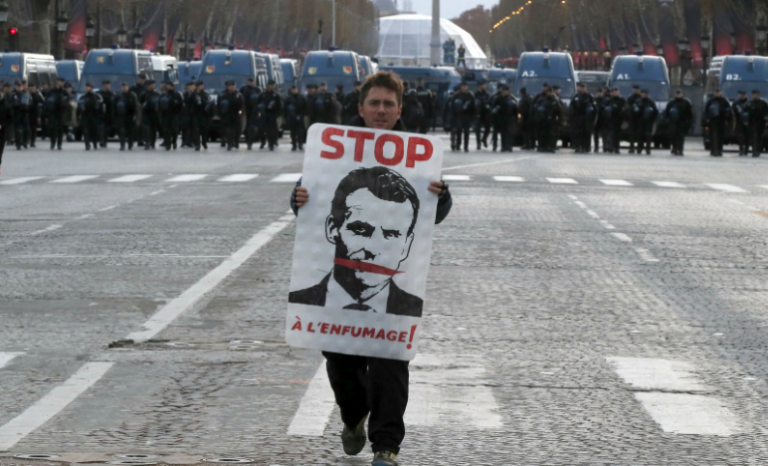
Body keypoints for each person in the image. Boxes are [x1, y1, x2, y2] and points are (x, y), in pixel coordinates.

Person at [290, 70, 452, 466]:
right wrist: (297, 198)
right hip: (331, 302)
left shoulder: (420, 154)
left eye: (389, 104)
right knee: (341, 362)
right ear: (361, 108)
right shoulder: (334, 151)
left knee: (391, 365)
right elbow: (310, 200)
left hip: (395, 301)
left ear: (400, 110)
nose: (381, 111)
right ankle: (353, 417)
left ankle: (386, 446)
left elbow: (433, 214)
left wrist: (441, 198)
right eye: (374, 103)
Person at [664, 90, 693, 156]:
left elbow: (690, 113)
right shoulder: (672, 102)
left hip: (682, 121)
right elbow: (667, 112)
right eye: (677, 94)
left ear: (682, 94)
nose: (678, 95)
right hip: (673, 122)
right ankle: (674, 148)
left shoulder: (686, 102)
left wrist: (689, 121)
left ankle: (680, 149)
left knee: (681, 136)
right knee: (673, 136)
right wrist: (667, 119)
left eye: (679, 94)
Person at [703, 89, 731, 156]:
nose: (717, 94)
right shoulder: (710, 101)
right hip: (712, 122)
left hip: (721, 121)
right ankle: (713, 150)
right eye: (716, 93)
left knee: (720, 137)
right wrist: (706, 120)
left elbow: (729, 111)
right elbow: (706, 111)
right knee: (713, 136)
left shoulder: (724, 101)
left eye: (719, 93)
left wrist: (723, 112)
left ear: (721, 93)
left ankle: (719, 150)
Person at [569, 82, 595, 154]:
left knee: (586, 133)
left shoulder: (589, 96)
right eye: (580, 87)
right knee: (577, 133)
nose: (581, 89)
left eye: (583, 87)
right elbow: (572, 107)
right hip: (577, 117)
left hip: (586, 118)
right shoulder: (575, 96)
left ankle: (586, 147)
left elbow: (593, 107)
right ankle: (577, 146)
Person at [217, 80, 244, 151]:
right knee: (228, 130)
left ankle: (236, 141)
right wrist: (221, 114)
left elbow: (242, 105)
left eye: (234, 86)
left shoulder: (238, 94)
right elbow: (219, 105)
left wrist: (240, 112)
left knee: (237, 130)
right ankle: (229, 143)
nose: (233, 87)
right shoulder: (222, 94)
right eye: (231, 86)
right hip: (227, 114)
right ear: (228, 87)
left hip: (236, 114)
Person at [490, 84, 516, 152]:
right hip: (500, 118)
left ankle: (509, 146)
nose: (507, 92)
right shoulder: (497, 98)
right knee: (503, 133)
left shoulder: (510, 98)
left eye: (508, 91)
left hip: (509, 117)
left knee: (509, 132)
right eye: (506, 91)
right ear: (503, 91)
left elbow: (515, 108)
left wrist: (516, 117)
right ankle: (503, 146)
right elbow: (493, 107)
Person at [158, 80, 184, 150]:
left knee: (175, 130)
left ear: (173, 87)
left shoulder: (177, 94)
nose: (168, 87)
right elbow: (159, 104)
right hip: (165, 115)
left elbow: (181, 105)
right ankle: (168, 144)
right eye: (167, 86)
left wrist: (179, 114)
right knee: (166, 130)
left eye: (169, 86)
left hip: (174, 114)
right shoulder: (163, 94)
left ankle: (174, 141)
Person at [449, 81, 475, 152]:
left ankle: (466, 146)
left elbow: (473, 106)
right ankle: (458, 145)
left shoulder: (470, 95)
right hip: (459, 116)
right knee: (459, 131)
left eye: (465, 86)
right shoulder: (456, 95)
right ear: (461, 87)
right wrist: (453, 115)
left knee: (467, 131)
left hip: (467, 115)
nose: (464, 88)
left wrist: (473, 116)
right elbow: (452, 106)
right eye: (463, 87)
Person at [77, 82, 104, 151]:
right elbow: (79, 107)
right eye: (86, 87)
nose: (87, 89)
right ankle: (87, 144)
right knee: (86, 131)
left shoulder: (97, 97)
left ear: (92, 88)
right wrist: (78, 116)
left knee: (94, 131)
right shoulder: (83, 97)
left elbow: (101, 108)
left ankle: (95, 143)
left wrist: (101, 116)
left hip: (94, 116)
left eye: (88, 87)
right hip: (85, 116)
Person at [114, 82, 139, 151]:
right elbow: (114, 106)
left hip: (130, 116)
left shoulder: (132, 96)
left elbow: (136, 106)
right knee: (122, 131)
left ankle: (130, 144)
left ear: (128, 87)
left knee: (130, 131)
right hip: (121, 116)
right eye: (123, 87)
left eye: (125, 87)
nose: (124, 88)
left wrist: (136, 115)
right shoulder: (119, 96)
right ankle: (122, 145)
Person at [45, 77, 67, 150]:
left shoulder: (64, 92)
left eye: (62, 82)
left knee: (60, 129)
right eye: (60, 81)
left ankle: (59, 144)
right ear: (57, 82)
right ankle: (53, 142)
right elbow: (46, 101)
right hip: (53, 112)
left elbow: (68, 101)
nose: (61, 83)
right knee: (52, 128)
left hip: (61, 112)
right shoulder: (52, 91)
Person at [283, 85, 308, 151]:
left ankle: (300, 144)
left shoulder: (302, 97)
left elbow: (306, 107)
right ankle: (294, 145)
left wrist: (303, 115)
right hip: (292, 117)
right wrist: (285, 118)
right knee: (293, 132)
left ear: (297, 90)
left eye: (295, 89)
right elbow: (285, 108)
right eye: (292, 89)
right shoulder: (288, 98)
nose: (294, 91)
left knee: (300, 132)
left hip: (300, 116)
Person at [260, 79, 282, 151]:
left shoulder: (276, 95)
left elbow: (279, 105)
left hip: (273, 114)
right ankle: (269, 142)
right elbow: (258, 104)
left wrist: (278, 114)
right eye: (270, 85)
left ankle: (273, 141)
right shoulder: (263, 95)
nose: (271, 87)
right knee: (267, 130)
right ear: (267, 86)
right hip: (265, 114)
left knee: (274, 130)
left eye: (272, 86)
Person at [241, 77, 262, 150]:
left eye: (252, 81)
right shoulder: (244, 89)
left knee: (252, 128)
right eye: (249, 81)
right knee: (246, 128)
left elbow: (260, 99)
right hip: (246, 111)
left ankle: (250, 142)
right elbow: (241, 98)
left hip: (254, 111)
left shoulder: (257, 89)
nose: (251, 83)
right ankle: (248, 141)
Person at [635, 89, 658, 155]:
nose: (643, 95)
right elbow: (635, 111)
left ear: (647, 94)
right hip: (640, 121)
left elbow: (655, 111)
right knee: (640, 136)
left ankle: (648, 149)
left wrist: (653, 120)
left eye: (644, 94)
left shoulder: (650, 102)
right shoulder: (638, 101)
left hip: (648, 122)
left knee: (648, 136)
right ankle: (639, 149)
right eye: (642, 94)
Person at [747, 89, 768, 157]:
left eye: (756, 94)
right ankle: (754, 151)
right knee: (753, 137)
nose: (755, 96)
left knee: (759, 137)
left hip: (760, 123)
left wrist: (766, 119)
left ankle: (758, 150)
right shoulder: (749, 103)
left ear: (758, 95)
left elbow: (766, 112)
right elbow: (745, 111)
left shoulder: (763, 103)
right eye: (754, 95)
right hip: (752, 122)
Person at [191, 80, 211, 151]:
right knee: (196, 130)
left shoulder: (205, 94)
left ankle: (204, 142)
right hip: (195, 114)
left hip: (204, 114)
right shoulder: (193, 94)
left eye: (202, 85)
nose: (201, 87)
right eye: (200, 86)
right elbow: (189, 103)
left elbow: (209, 103)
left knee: (204, 130)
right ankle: (197, 144)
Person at [140, 80, 160, 150]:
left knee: (154, 129)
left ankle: (153, 142)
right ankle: (147, 142)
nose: (153, 86)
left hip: (154, 114)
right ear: (147, 86)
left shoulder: (156, 94)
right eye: (152, 85)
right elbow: (139, 103)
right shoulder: (143, 94)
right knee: (146, 128)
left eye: (154, 85)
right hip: (146, 113)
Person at [9, 81, 29, 150]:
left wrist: (26, 107)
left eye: (20, 86)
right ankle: (18, 143)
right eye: (18, 87)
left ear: (23, 87)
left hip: (25, 113)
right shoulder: (13, 94)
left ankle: (25, 142)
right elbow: (11, 103)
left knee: (26, 129)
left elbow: (29, 103)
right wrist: (19, 105)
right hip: (16, 113)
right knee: (17, 130)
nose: (19, 88)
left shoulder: (26, 94)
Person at [95, 81, 116, 148]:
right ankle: (101, 140)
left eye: (109, 85)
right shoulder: (98, 94)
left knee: (107, 129)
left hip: (108, 114)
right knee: (101, 128)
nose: (108, 87)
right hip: (100, 113)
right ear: (104, 85)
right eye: (107, 85)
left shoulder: (112, 94)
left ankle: (105, 141)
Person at [473, 79, 491, 150]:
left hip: (486, 114)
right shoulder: (475, 95)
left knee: (488, 129)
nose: (484, 86)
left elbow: (490, 103)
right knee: (477, 130)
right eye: (483, 85)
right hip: (478, 114)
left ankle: (484, 139)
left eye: (485, 85)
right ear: (479, 86)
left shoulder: (487, 95)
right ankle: (478, 143)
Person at [130, 74, 147, 146]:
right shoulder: (133, 88)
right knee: (136, 124)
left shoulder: (145, 88)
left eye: (143, 80)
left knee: (143, 125)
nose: (141, 81)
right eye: (140, 79)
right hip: (135, 108)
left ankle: (141, 140)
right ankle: (135, 139)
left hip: (144, 108)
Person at [732, 90, 751, 156]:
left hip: (747, 122)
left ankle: (746, 150)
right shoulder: (736, 103)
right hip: (739, 122)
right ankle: (741, 149)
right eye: (740, 95)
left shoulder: (749, 102)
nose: (741, 96)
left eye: (742, 95)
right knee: (740, 136)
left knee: (747, 137)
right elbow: (733, 112)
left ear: (745, 95)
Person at [608, 87, 626, 154]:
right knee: (611, 134)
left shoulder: (622, 100)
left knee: (617, 135)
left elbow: (625, 108)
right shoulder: (610, 100)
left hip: (619, 119)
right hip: (611, 119)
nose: (616, 93)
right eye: (614, 92)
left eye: (617, 92)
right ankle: (611, 147)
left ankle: (617, 148)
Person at [626, 85, 642, 153]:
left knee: (639, 133)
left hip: (640, 118)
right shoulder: (630, 98)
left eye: (637, 89)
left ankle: (639, 148)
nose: (636, 91)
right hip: (632, 118)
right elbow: (627, 107)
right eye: (635, 89)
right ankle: (631, 147)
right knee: (631, 133)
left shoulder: (641, 98)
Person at [27, 82, 44, 148]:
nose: (32, 90)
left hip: (35, 114)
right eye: (31, 88)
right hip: (27, 113)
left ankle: (32, 141)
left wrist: (40, 109)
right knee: (27, 128)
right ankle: (26, 140)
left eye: (33, 88)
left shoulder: (38, 95)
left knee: (33, 128)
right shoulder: (26, 94)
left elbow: (43, 102)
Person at [181, 81, 197, 147]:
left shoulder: (195, 94)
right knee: (185, 128)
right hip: (185, 113)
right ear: (187, 87)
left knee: (192, 128)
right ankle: (184, 141)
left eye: (194, 86)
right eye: (191, 86)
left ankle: (191, 141)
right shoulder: (184, 94)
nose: (193, 88)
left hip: (193, 113)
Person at [593, 88, 606, 152]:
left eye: (601, 93)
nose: (600, 94)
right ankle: (596, 147)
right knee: (596, 134)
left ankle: (605, 147)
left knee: (604, 134)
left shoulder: (605, 100)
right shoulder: (595, 100)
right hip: (596, 119)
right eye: (599, 93)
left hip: (604, 119)